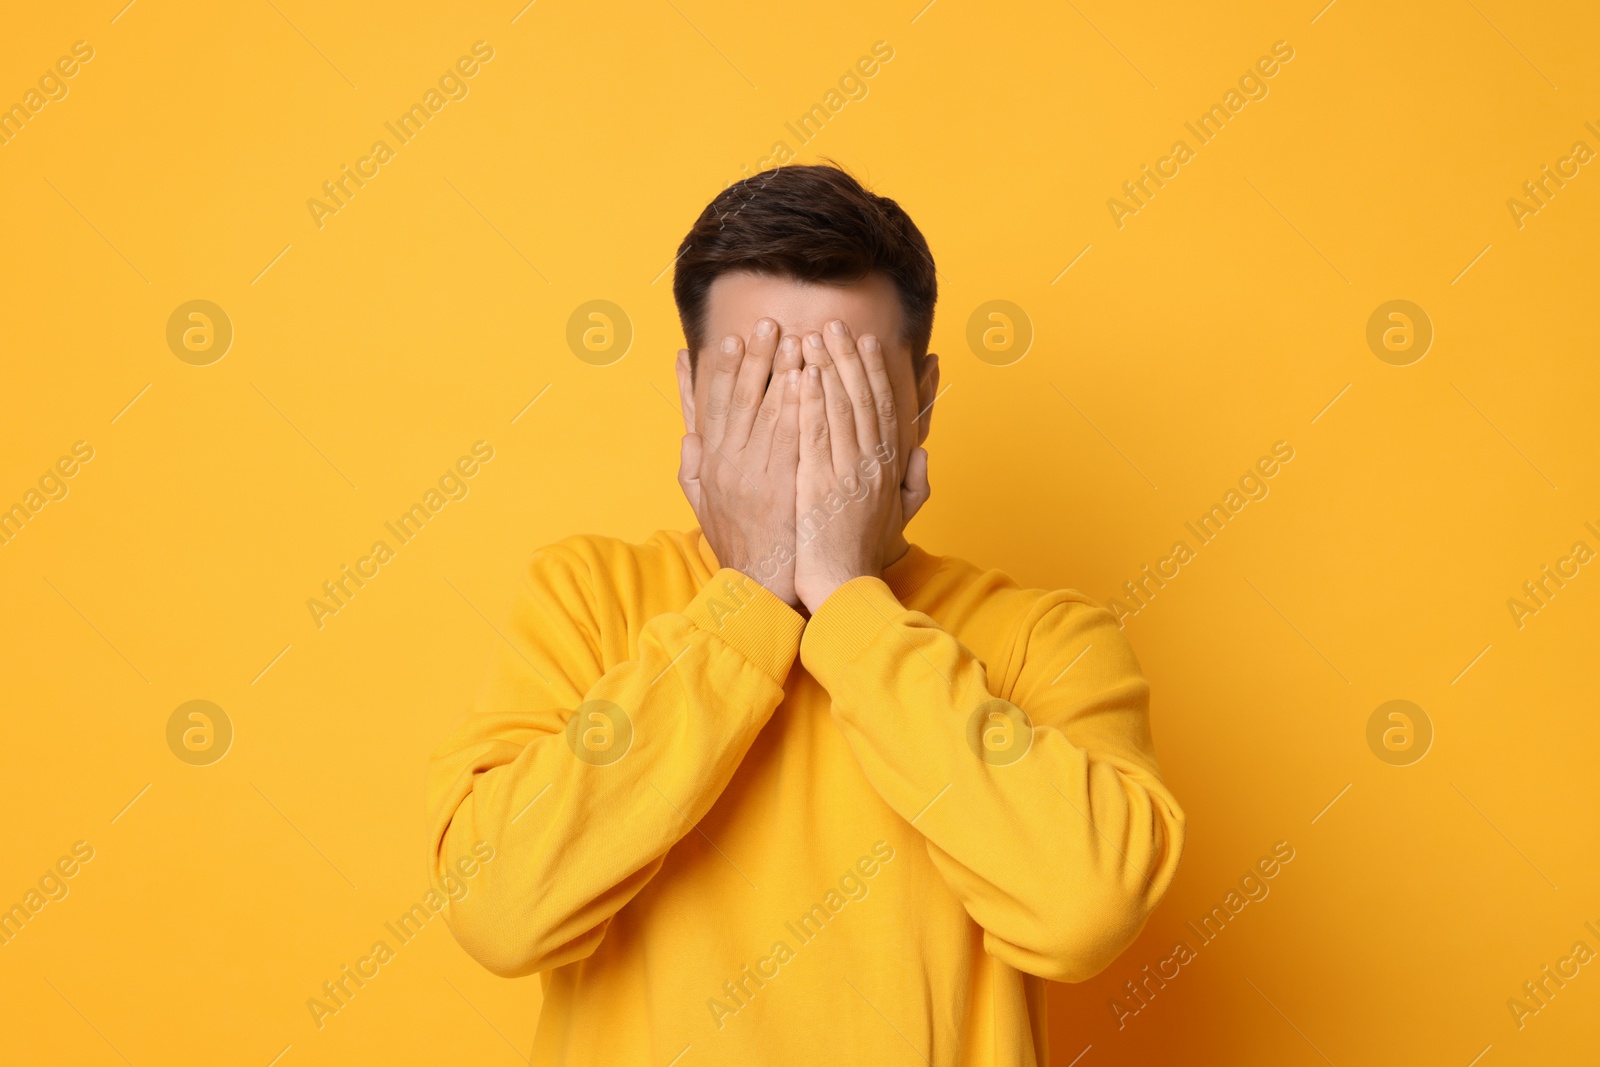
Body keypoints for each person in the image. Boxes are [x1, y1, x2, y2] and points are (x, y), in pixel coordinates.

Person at [425, 163, 1185, 1065]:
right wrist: (746, 598)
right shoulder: (587, 599)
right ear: (689, 394)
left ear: (922, 400)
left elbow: (1084, 912)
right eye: (757, 380)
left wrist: (848, 599)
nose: (798, 422)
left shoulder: (1047, 638)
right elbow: (500, 913)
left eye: (840, 385)